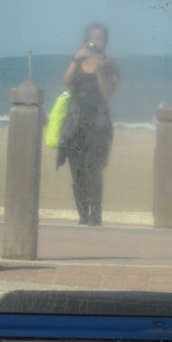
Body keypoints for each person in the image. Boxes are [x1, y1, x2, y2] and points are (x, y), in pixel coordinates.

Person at [57, 24, 119, 226]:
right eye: (93, 38)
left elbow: (106, 93)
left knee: (93, 170)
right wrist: (76, 59)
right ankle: (83, 215)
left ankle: (96, 214)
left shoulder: (110, 66)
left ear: (106, 42)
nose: (97, 42)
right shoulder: (79, 60)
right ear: (87, 40)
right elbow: (66, 80)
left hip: (98, 125)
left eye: (100, 38)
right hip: (75, 124)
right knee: (77, 171)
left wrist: (99, 69)